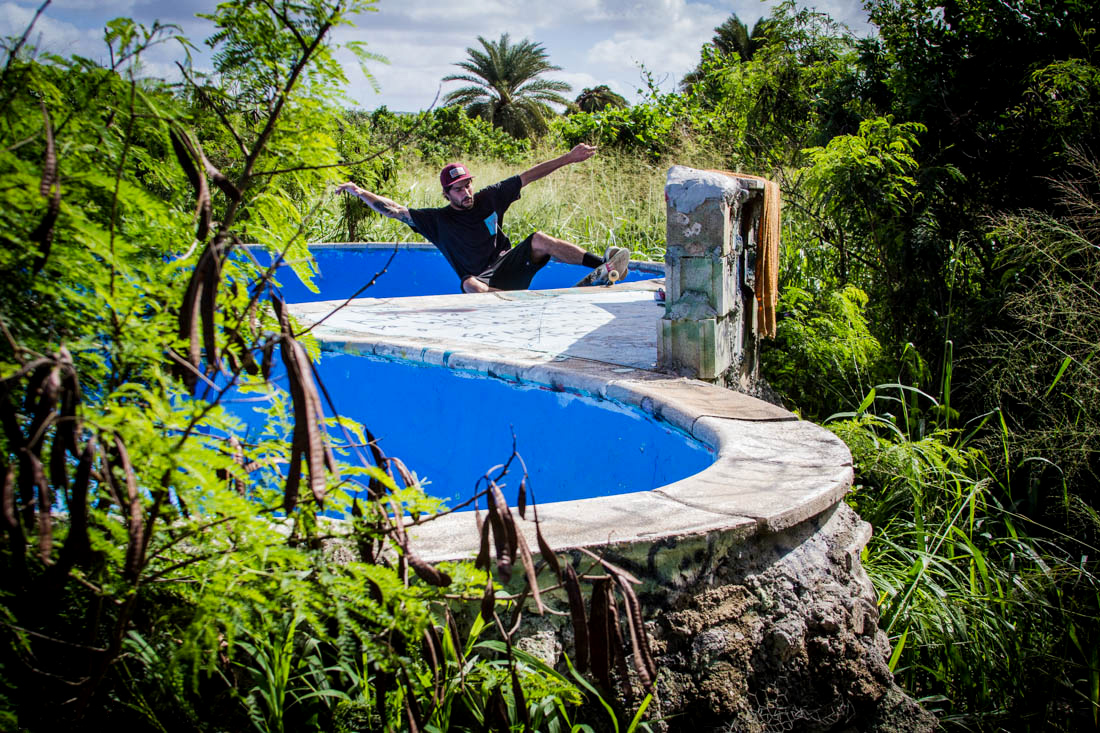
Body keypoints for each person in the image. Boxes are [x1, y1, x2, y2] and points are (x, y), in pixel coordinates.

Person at [335, 144, 630, 293]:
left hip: (509, 266)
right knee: (469, 284)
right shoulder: (436, 221)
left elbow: (528, 176)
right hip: (483, 283)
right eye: (458, 190)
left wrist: (568, 157)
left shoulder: (490, 197)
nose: (466, 192)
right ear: (447, 195)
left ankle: (602, 267)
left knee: (539, 239)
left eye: (467, 185)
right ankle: (506, 307)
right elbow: (394, 210)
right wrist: (359, 191)